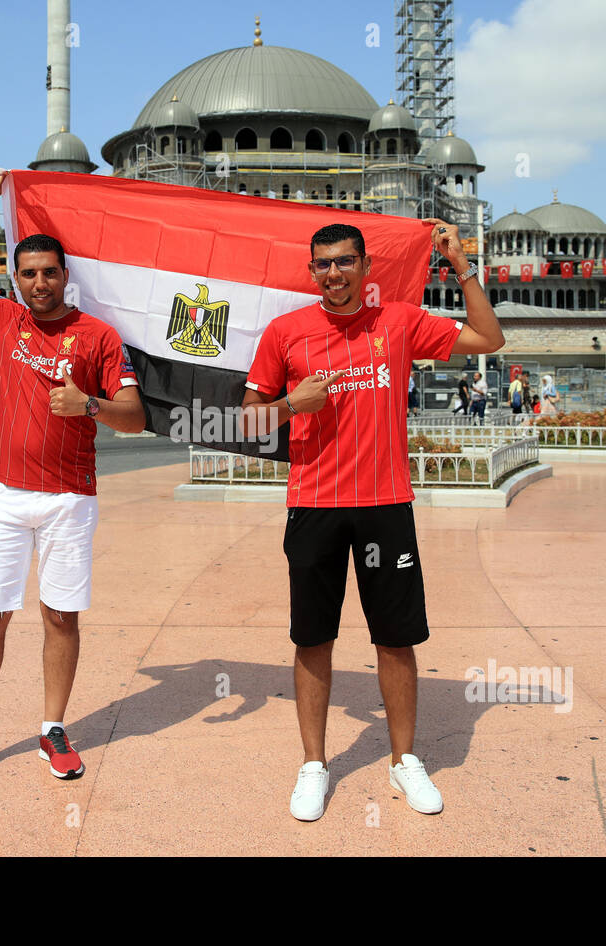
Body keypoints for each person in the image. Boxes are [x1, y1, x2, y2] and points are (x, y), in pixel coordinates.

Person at [240, 219, 504, 822]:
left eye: (344, 261)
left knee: (396, 637)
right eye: (323, 264)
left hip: (385, 507)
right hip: (313, 507)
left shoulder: (401, 322)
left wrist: (459, 263)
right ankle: (314, 765)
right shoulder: (285, 333)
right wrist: (289, 405)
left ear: (365, 267)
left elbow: (489, 338)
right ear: (311, 272)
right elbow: (245, 422)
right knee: (312, 638)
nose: (334, 273)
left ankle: (404, 760)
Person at [0, 169, 145, 788]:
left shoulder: (99, 338)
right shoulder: (2, 320)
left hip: (69, 501)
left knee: (60, 618)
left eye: (50, 272)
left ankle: (54, 727)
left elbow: (135, 418)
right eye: (29, 273)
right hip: (3, 495)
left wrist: (93, 407)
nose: (40, 282)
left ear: (65, 276)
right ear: (16, 279)